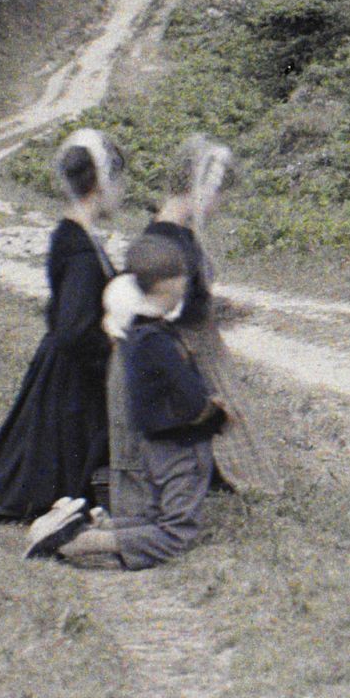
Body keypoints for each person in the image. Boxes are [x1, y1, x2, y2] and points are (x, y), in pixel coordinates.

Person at [0, 129, 127, 523]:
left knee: (38, 460)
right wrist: (112, 351)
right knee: (37, 477)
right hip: (72, 377)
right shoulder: (81, 250)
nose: (122, 192)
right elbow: (74, 329)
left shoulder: (73, 234)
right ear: (101, 184)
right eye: (119, 182)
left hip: (62, 369)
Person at [28, 230, 227, 569]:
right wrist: (213, 410)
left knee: (155, 515)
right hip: (182, 447)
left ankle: (90, 526)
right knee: (176, 532)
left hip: (154, 447)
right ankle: (82, 541)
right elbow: (193, 401)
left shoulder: (130, 334)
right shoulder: (159, 342)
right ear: (171, 284)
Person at [141, 135, 282, 495]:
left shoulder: (178, 232)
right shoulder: (165, 238)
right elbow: (162, 313)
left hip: (199, 346)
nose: (219, 207)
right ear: (203, 188)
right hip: (184, 354)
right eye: (219, 196)